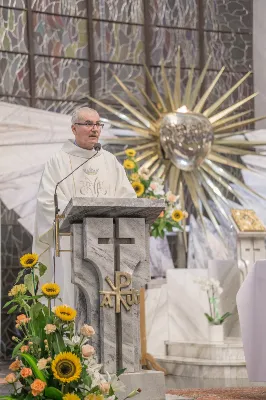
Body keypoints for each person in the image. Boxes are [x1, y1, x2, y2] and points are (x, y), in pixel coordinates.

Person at [33, 106, 136, 305]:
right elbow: (47, 202)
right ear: (74, 129)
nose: (95, 129)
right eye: (88, 124)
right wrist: (73, 212)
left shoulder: (110, 162)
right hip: (71, 244)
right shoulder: (58, 162)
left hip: (108, 245)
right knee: (73, 301)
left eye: (98, 124)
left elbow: (127, 199)